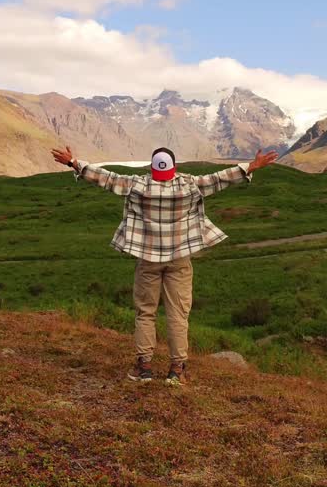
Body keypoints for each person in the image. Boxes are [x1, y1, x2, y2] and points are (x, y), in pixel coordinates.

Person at [50, 144, 277, 385]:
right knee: (178, 315)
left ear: (151, 168)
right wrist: (251, 167)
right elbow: (220, 179)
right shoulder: (190, 184)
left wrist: (73, 162)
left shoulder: (138, 185)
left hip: (147, 259)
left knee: (145, 312)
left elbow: (106, 178)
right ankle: (177, 370)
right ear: (174, 167)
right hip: (179, 259)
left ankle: (144, 367)